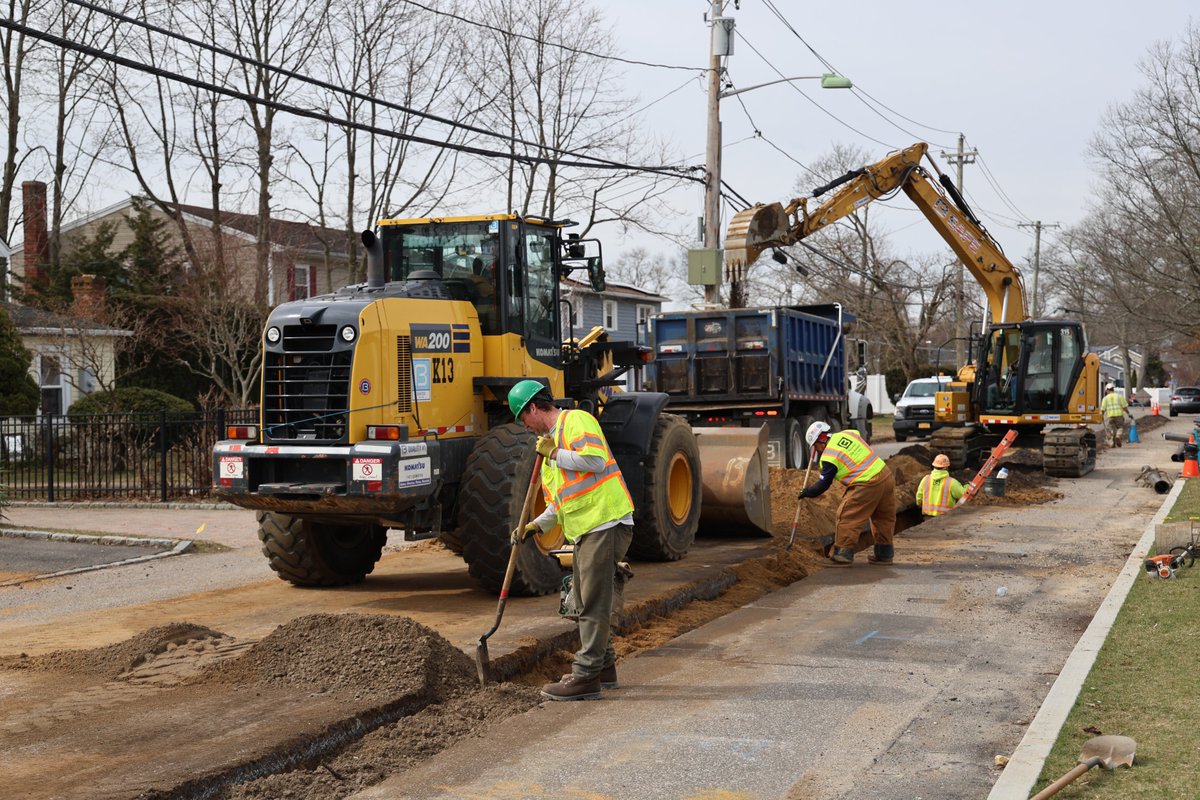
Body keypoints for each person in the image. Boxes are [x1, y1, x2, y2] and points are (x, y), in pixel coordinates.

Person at [507, 379, 635, 701]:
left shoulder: (575, 421)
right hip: (586, 529)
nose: (526, 427)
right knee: (583, 598)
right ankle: (604, 667)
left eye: (523, 419)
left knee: (591, 600)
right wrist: (534, 526)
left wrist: (554, 453)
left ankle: (586, 676)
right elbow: (558, 502)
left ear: (533, 408)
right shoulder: (549, 448)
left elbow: (594, 462)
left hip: (605, 519)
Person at [798, 421, 897, 566]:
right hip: (886, 475)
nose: (817, 450)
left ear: (821, 440)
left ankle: (842, 555)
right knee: (883, 517)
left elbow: (823, 485)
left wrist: (806, 492)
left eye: (816, 446)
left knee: (847, 515)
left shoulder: (829, 456)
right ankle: (884, 554)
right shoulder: (848, 434)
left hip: (866, 482)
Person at [1100, 382, 1132, 448]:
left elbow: (1102, 409)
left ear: (1107, 390)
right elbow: (1124, 406)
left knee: (1111, 429)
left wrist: (1101, 416)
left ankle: (1112, 443)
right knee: (1120, 427)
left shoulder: (1105, 398)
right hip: (1119, 415)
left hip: (1110, 416)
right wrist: (1128, 413)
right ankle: (1118, 435)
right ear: (1113, 389)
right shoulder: (1119, 396)